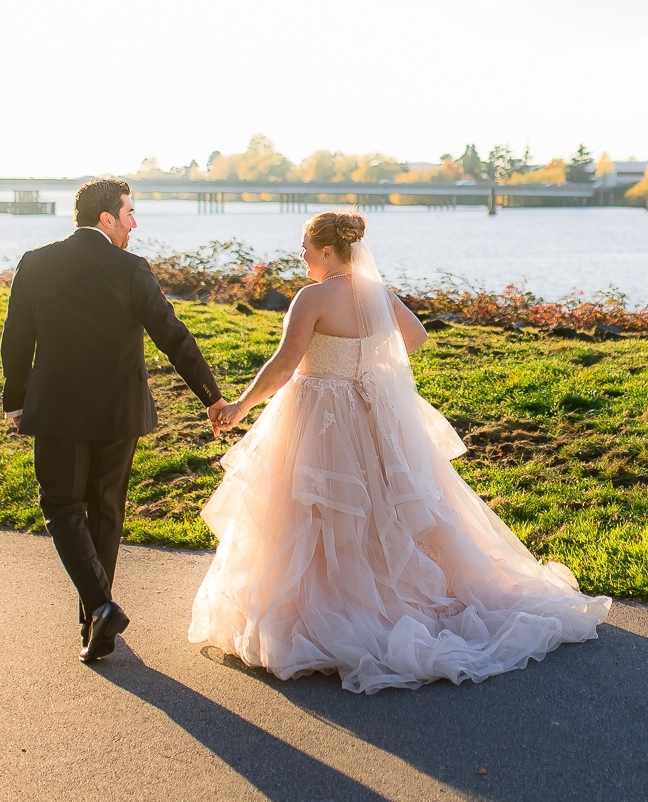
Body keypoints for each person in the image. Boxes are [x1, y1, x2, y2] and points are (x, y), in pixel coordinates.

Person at [189, 212, 609, 692]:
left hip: (319, 417)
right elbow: (415, 336)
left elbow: (285, 363)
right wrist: (372, 368)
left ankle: (334, 606)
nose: (301, 253)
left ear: (328, 251)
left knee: (318, 510)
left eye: (306, 245)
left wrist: (241, 406)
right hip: (370, 411)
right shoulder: (379, 294)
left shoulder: (313, 298)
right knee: (379, 505)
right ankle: (390, 593)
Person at [2, 178, 223, 662]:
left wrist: (15, 400)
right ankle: (95, 620)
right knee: (104, 513)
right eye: (128, 213)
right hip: (118, 411)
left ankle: (99, 612)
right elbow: (172, 334)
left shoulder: (35, 263)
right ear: (106, 219)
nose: (133, 222)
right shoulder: (130, 268)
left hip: (56, 409)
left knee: (61, 509)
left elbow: (16, 336)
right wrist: (209, 394)